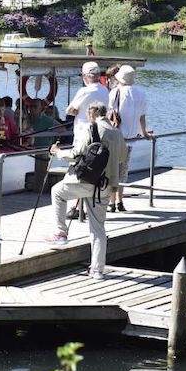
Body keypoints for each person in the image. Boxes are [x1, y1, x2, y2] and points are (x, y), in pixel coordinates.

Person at [48, 101, 127, 279]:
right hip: (106, 186)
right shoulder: (116, 132)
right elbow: (122, 157)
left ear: (92, 114)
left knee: (57, 192)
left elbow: (76, 154)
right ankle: (97, 270)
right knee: (98, 229)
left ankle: (61, 232)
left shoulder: (91, 129)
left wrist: (58, 152)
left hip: (86, 181)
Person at [108, 64, 152, 213]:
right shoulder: (141, 93)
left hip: (116, 137)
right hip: (131, 138)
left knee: (113, 170)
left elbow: (109, 113)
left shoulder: (115, 92)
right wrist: (144, 133)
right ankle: (120, 201)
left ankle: (112, 202)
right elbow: (142, 116)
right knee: (123, 171)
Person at [65, 62, 109, 127]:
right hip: (101, 127)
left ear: (85, 76)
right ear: (99, 75)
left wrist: (76, 112)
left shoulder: (84, 91)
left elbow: (69, 111)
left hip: (84, 129)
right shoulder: (105, 90)